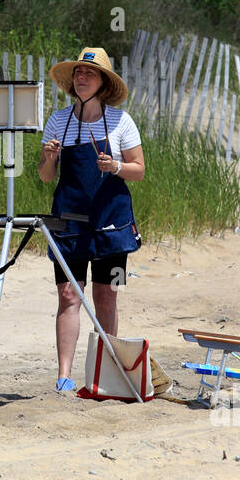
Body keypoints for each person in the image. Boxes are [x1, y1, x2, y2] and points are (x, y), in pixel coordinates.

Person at [38, 48, 144, 392]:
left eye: (90, 74)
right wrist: (50, 158)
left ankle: (108, 372)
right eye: (78, 73)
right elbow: (44, 176)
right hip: (68, 221)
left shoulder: (120, 121)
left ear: (103, 83)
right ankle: (64, 377)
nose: (81, 78)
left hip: (112, 224)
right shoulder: (57, 121)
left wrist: (114, 166)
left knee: (108, 294)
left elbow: (138, 170)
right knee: (68, 295)